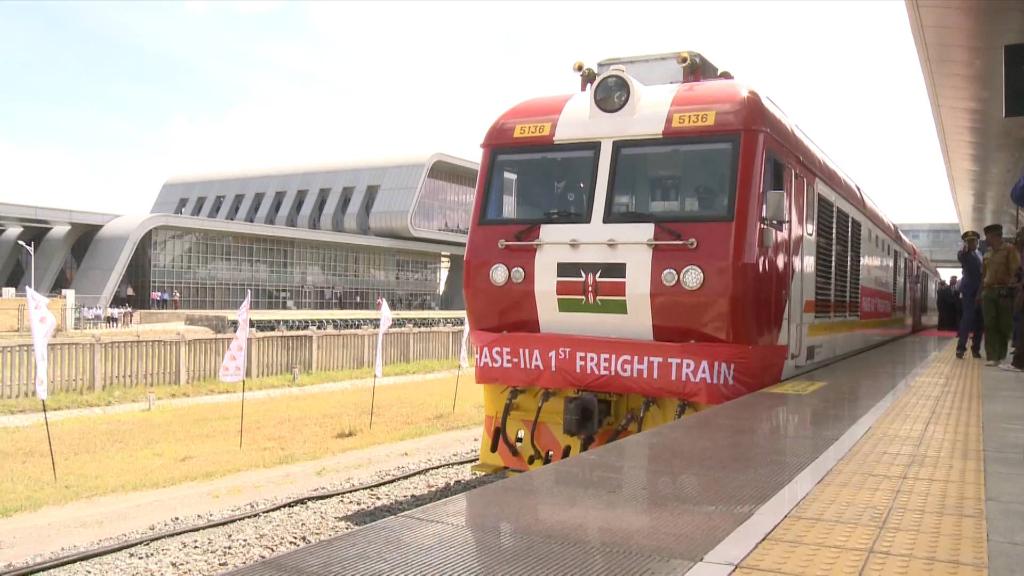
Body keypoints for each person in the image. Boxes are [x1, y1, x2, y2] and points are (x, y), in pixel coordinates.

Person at [981, 224, 1021, 366]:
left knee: (1003, 324)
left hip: (1004, 292)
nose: (986, 239)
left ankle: (1001, 355)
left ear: (995, 236)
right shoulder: (987, 253)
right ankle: (993, 357)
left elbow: (1016, 270)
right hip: (989, 292)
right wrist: (981, 292)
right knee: (989, 324)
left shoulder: (1009, 250)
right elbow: (984, 274)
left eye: (988, 237)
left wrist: (1013, 286)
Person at [956, 230, 984, 359]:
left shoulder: (980, 254)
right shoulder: (965, 254)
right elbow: (961, 256)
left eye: (974, 241)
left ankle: (975, 349)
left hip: (981, 292)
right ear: (966, 243)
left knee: (980, 321)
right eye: (969, 241)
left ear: (977, 242)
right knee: (967, 319)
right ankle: (961, 348)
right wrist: (965, 249)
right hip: (969, 292)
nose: (972, 243)